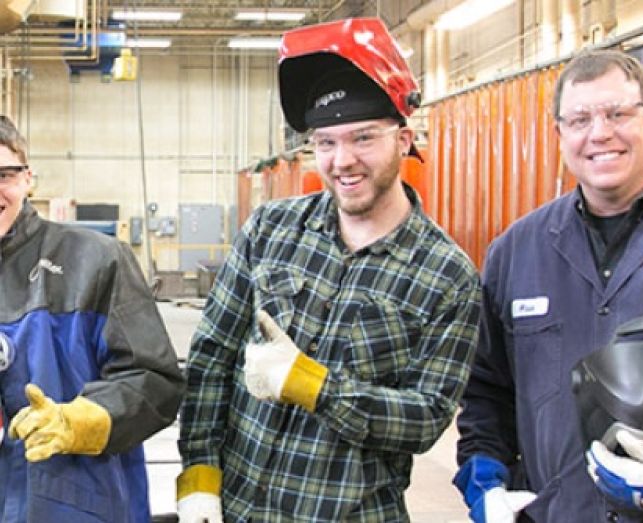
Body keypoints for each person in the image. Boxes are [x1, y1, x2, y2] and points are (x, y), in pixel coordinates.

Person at [176, 17, 482, 523]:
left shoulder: (446, 274)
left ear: (403, 139)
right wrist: (199, 476)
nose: (343, 161)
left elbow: (426, 417)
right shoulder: (270, 230)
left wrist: (316, 386)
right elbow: (211, 358)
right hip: (239, 508)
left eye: (363, 138)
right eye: (325, 142)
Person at [453, 48, 643, 522]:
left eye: (617, 113)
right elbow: (486, 394)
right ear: (559, 134)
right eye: (580, 119)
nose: (600, 133)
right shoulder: (515, 252)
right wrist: (484, 483)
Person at [0, 115, 184, 522]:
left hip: (77, 506)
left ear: (28, 178)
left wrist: (83, 421)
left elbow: (155, 381)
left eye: (4, 175)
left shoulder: (94, 261)